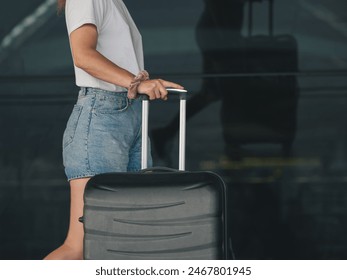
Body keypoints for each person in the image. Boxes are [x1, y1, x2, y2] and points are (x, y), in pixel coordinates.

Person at [44, 0, 184, 260]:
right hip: (101, 117)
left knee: (126, 241)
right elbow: (83, 55)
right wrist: (137, 83)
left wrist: (142, 84)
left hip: (129, 115)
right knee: (80, 245)